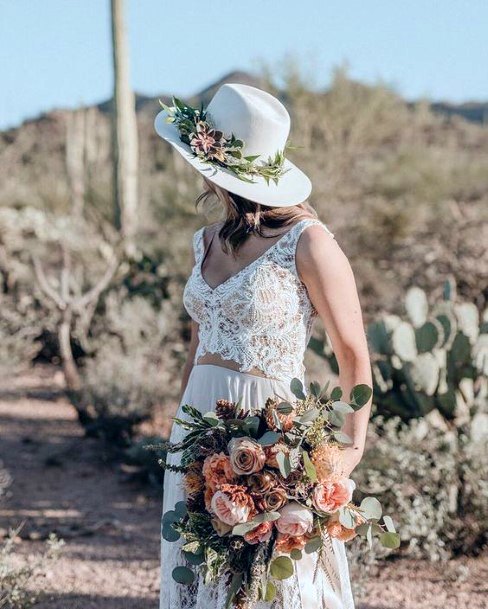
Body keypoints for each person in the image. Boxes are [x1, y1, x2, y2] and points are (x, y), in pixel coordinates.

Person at [154, 83, 372, 609]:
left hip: (273, 430)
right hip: (199, 425)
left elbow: (354, 354)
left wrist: (349, 450)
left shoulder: (309, 241)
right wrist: (181, 430)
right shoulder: (203, 240)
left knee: (277, 578)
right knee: (201, 568)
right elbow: (199, 340)